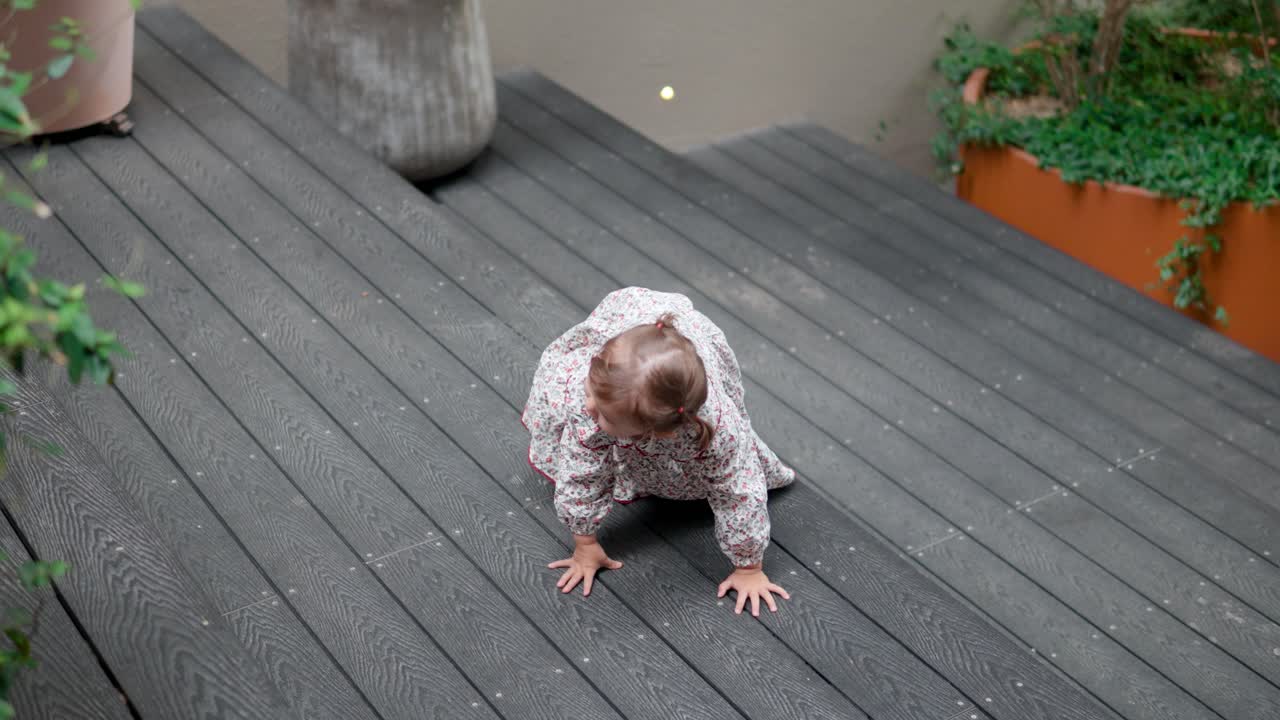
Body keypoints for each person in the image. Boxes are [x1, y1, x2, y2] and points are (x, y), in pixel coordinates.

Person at [523, 287, 795, 616]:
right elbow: (582, 472)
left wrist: (748, 567)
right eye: (591, 395)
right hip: (638, 349)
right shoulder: (594, 397)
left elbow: (738, 492)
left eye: (604, 415)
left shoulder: (717, 431)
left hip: (671, 389)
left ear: (656, 432)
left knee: (727, 470)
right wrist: (585, 542)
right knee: (588, 434)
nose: (588, 407)